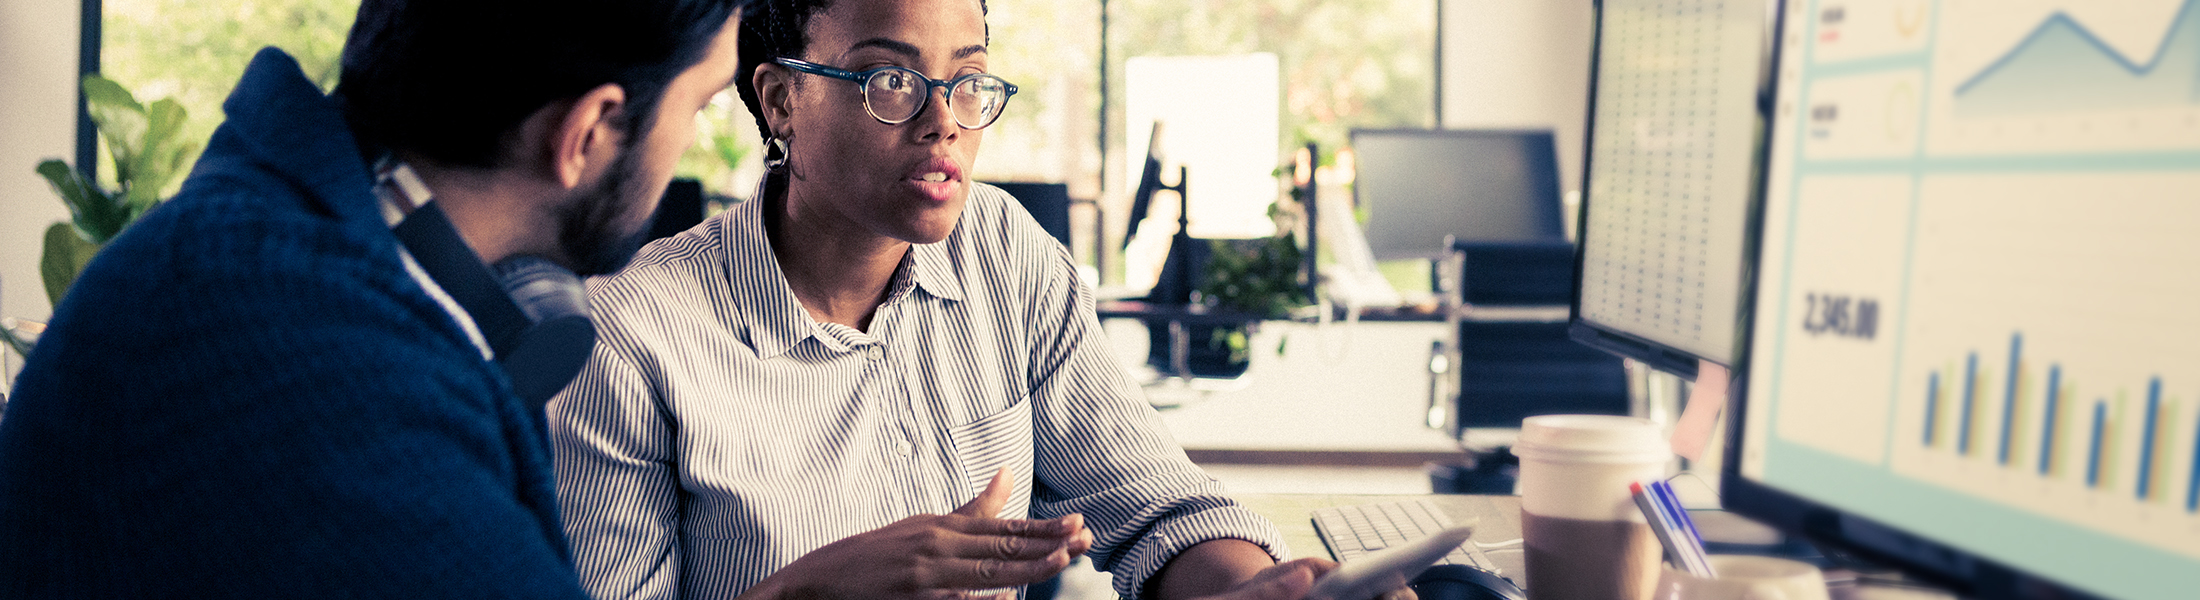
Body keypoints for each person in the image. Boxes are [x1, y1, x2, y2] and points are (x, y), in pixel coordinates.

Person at [550, 0, 1390, 599]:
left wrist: (1263, 589)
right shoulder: (632, 336)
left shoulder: (1002, 251)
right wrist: (815, 589)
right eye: (889, 80)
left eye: (969, 81)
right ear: (780, 101)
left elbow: (1156, 504)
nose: (942, 121)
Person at [0, 0, 741, 596]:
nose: (689, 141)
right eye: (699, 106)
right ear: (586, 132)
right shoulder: (316, 364)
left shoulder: (266, 243)